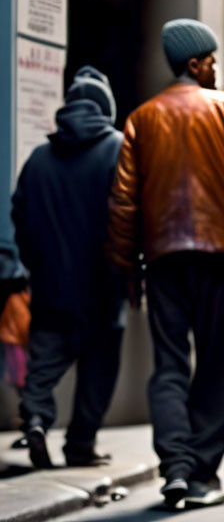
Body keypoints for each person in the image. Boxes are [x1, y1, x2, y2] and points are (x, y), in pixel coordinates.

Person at [107, 19, 224, 508]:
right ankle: (202, 474)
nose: (214, 68)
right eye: (210, 60)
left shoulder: (141, 120)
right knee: (216, 365)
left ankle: (175, 468)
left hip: (162, 260)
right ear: (195, 63)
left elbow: (123, 204)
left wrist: (128, 268)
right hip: (220, 258)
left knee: (168, 366)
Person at [11, 67, 125, 469]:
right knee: (98, 369)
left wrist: (37, 263)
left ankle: (37, 419)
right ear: (105, 108)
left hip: (50, 286)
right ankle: (80, 444)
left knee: (43, 363)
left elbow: (18, 217)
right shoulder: (117, 148)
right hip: (103, 286)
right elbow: (129, 216)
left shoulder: (39, 158)